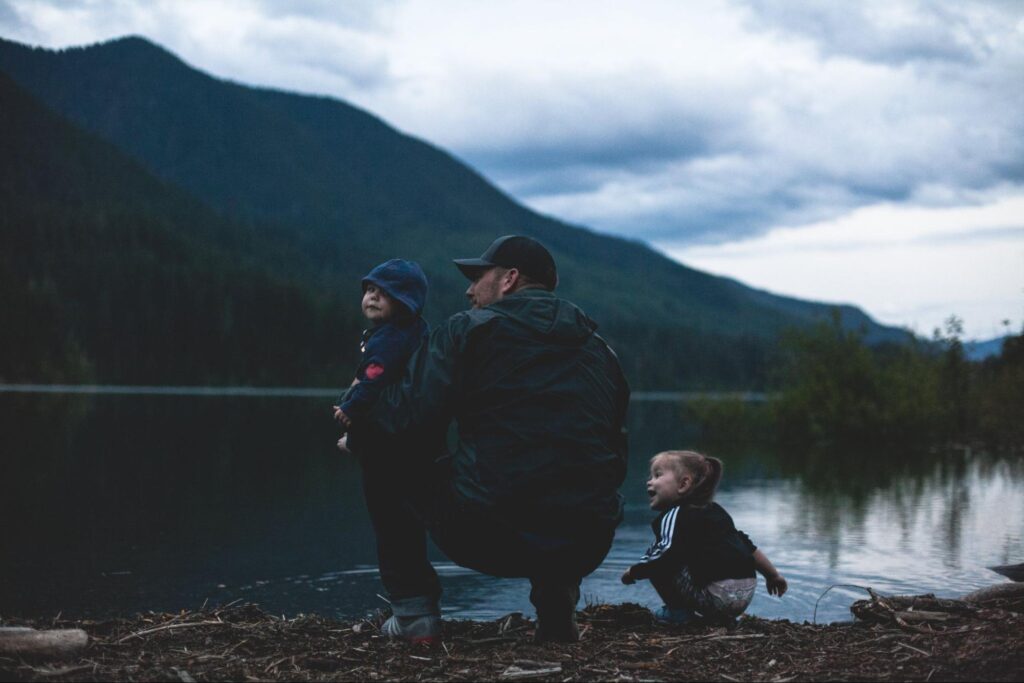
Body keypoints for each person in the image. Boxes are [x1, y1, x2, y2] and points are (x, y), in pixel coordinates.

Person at [352, 235, 630, 644]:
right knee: (570, 479)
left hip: (490, 532)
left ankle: (414, 613)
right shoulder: (601, 350)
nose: (468, 290)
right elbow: (616, 453)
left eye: (477, 277)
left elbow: (403, 419)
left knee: (380, 450)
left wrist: (359, 421)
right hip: (588, 539)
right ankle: (556, 610)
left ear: (509, 280)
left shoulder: (467, 331)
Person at [620, 450, 787, 626]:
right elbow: (747, 546)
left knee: (661, 556)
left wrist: (633, 572)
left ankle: (678, 613)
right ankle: (722, 619)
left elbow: (663, 555)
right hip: (744, 595)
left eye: (657, 475)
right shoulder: (716, 511)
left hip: (715, 596)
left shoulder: (675, 514)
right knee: (690, 555)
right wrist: (773, 576)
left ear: (684, 484)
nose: (649, 481)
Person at [332, 259, 429, 453]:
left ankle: (354, 443)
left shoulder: (389, 339)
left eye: (385, 292)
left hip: (388, 427)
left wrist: (351, 407)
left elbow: (373, 379)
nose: (373, 297)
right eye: (370, 290)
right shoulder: (416, 329)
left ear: (404, 302)